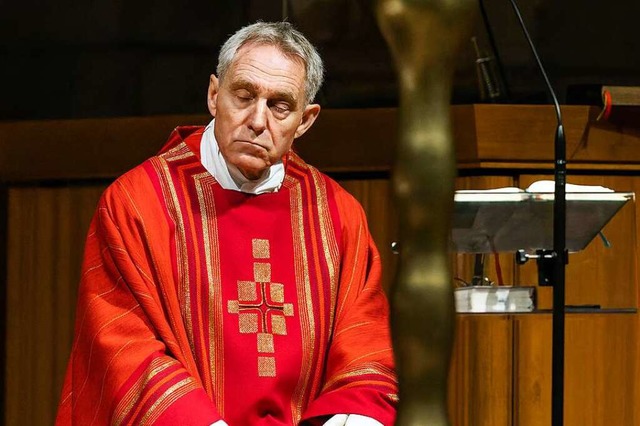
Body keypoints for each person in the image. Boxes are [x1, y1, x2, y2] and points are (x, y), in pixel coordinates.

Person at [56, 21, 397, 426]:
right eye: (244, 95)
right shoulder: (138, 204)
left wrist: (351, 419)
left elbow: (366, 344)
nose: (257, 120)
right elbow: (120, 343)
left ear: (305, 120)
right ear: (215, 95)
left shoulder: (338, 215)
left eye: (279, 106)